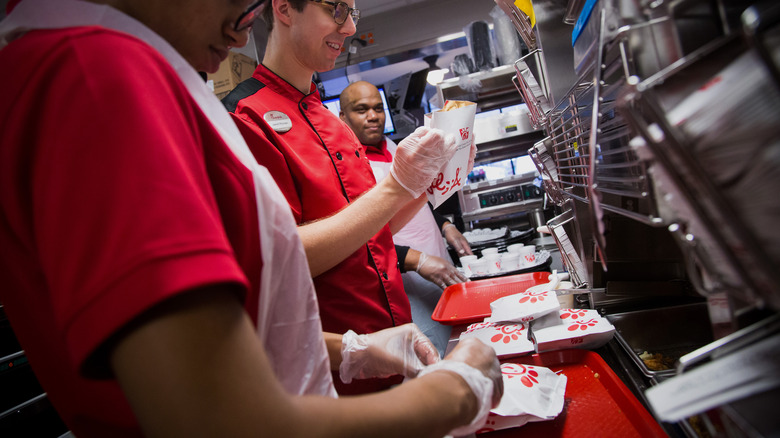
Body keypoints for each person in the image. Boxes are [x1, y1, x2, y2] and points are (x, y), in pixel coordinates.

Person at [0, 0, 503, 437]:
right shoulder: (93, 74)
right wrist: (456, 393)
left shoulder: (108, 68)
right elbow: (220, 421)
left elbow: (239, 305)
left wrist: (351, 349)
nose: (243, 29)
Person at [222, 0, 477, 394]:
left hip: (396, 345)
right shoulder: (244, 117)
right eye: (336, 9)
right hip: (338, 370)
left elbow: (375, 231)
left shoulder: (330, 123)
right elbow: (282, 259)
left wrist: (428, 179)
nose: (348, 29)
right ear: (285, 8)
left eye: (352, 13)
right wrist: (397, 185)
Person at [339, 80, 475, 355]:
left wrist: (445, 225)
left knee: (460, 344)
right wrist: (416, 260)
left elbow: (417, 195)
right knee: (430, 353)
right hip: (404, 279)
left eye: (378, 108)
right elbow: (359, 237)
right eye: (361, 109)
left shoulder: (395, 148)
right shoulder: (344, 167)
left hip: (438, 263)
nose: (373, 116)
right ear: (343, 118)